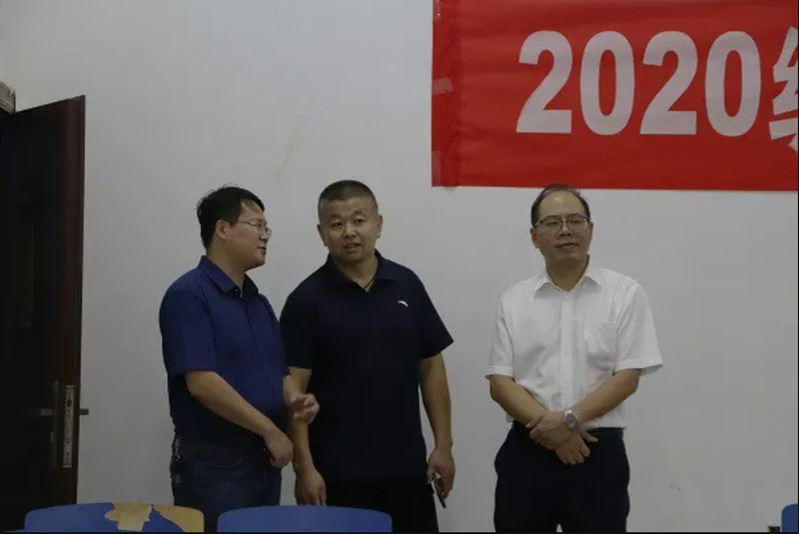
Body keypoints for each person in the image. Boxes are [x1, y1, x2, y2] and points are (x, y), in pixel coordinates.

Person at [280, 180, 455, 532]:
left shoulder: (407, 285)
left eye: (359, 220)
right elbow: (293, 392)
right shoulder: (305, 301)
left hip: (408, 469)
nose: (349, 232)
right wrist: (304, 468)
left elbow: (431, 368)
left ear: (378, 224)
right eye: (336, 223)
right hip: (337, 475)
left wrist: (443, 445)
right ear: (321, 233)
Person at [487, 184, 663, 532]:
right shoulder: (514, 300)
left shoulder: (624, 293)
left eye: (575, 220)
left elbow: (627, 377)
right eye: (552, 222)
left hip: (596, 454)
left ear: (590, 230)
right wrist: (553, 430)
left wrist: (568, 421)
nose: (565, 230)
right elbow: (500, 382)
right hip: (527, 452)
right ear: (535, 237)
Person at [159, 186, 319, 531]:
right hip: (216, 461)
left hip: (264, 457)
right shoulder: (189, 295)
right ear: (223, 229)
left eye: (266, 228)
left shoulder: (257, 302)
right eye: (256, 225)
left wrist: (296, 399)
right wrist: (270, 429)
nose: (265, 236)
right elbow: (202, 383)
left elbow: (279, 373)